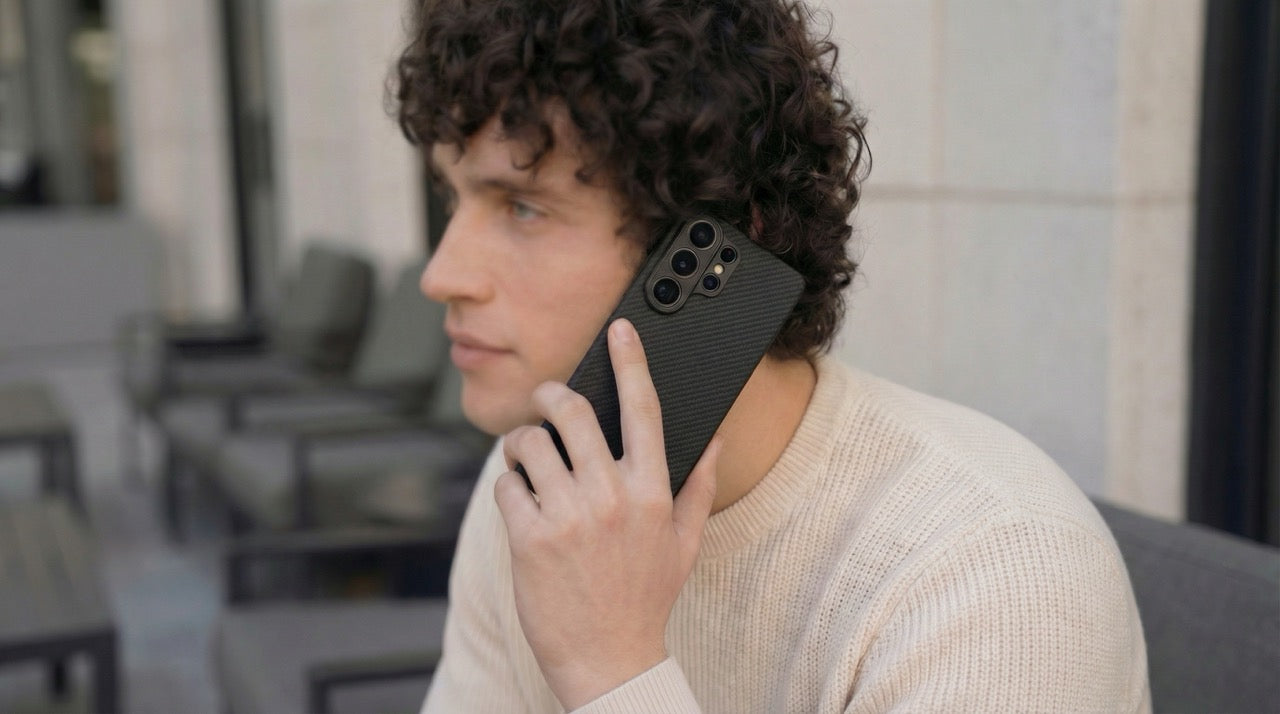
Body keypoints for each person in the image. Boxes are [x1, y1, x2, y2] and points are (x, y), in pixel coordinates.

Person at [395, 0, 1151, 711]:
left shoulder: (995, 569)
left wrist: (609, 666)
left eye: (524, 207)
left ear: (717, 245)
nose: (441, 275)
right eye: (453, 199)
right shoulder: (540, 484)